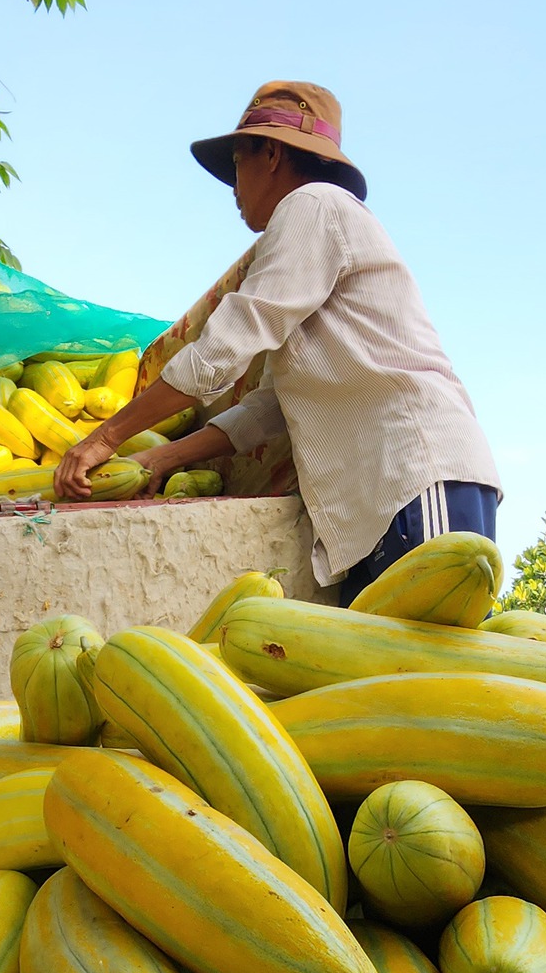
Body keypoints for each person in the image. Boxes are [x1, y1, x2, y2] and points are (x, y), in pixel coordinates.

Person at [55, 81, 499, 600]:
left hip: (416, 476)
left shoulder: (314, 205)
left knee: (437, 669)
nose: (233, 187)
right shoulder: (308, 235)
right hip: (377, 505)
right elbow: (271, 407)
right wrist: (162, 458)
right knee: (401, 675)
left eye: (237, 163)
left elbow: (224, 348)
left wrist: (103, 439)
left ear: (270, 153)